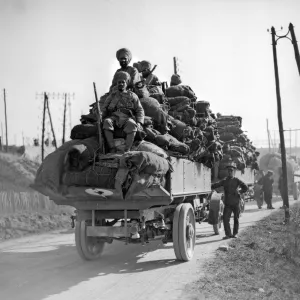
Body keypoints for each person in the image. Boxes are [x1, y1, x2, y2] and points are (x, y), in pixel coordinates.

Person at [102, 71, 145, 153]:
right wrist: (101, 115)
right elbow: (105, 108)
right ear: (117, 83)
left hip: (127, 117)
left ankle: (127, 150)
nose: (121, 84)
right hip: (114, 117)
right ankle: (112, 148)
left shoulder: (132, 95)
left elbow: (139, 109)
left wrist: (139, 122)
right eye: (119, 82)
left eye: (123, 82)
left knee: (132, 124)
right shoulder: (112, 95)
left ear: (126, 83)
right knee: (107, 122)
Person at [211, 162, 248, 239]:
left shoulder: (237, 180)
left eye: (231, 170)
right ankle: (228, 234)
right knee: (225, 219)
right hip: (228, 203)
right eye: (229, 171)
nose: (230, 172)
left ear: (234, 172)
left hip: (236, 203)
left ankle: (235, 234)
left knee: (236, 219)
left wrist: (240, 192)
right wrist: (209, 185)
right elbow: (216, 185)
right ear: (227, 172)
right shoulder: (225, 181)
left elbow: (245, 187)